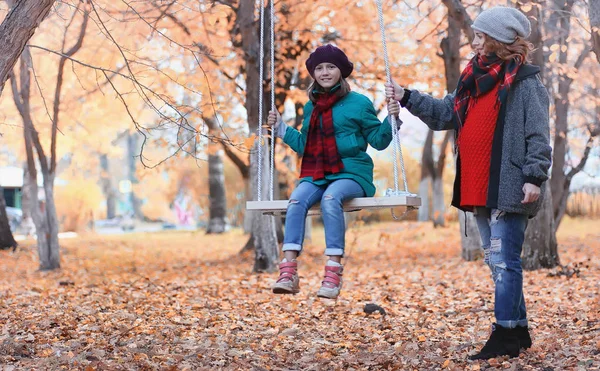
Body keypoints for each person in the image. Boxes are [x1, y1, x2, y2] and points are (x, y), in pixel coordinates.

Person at [385, 6, 552, 360]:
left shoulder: (526, 83)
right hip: (477, 186)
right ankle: (518, 330)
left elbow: (539, 135)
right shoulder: (471, 80)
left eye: (480, 36)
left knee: (505, 262)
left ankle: (504, 334)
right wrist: (407, 96)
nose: (474, 43)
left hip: (509, 188)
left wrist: (534, 177)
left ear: (500, 40)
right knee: (496, 262)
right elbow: (445, 114)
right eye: (475, 36)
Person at [267, 44, 400, 299]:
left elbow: (378, 141)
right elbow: (304, 144)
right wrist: (282, 128)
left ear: (341, 71)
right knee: (295, 200)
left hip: (351, 173)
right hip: (317, 172)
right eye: (319, 68)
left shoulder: (359, 102)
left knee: (331, 198)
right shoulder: (311, 106)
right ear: (313, 73)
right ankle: (289, 271)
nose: (325, 72)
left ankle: (333, 271)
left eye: (330, 67)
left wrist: (391, 120)